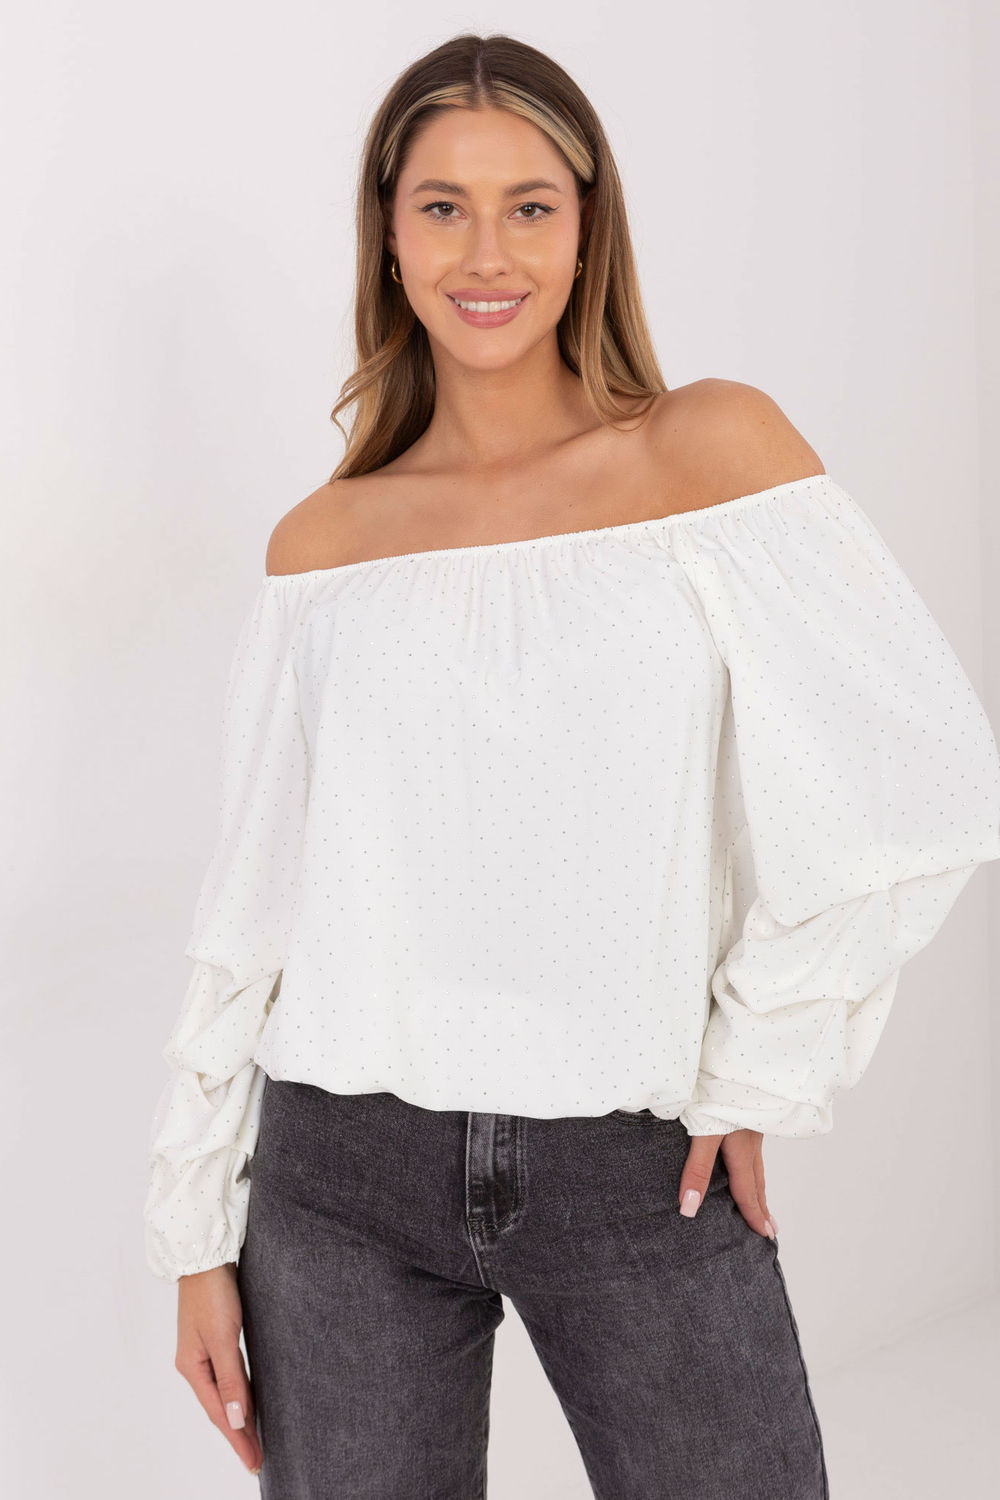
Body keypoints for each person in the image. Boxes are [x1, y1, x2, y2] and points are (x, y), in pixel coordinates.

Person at [143, 32, 1000, 1500]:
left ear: (590, 229)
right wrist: (193, 1237)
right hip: (336, 1185)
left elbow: (920, 786)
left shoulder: (708, 453)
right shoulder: (324, 545)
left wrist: (754, 1065)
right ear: (388, 235)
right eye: (443, 206)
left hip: (636, 1164)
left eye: (530, 206)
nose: (487, 252)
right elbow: (254, 911)